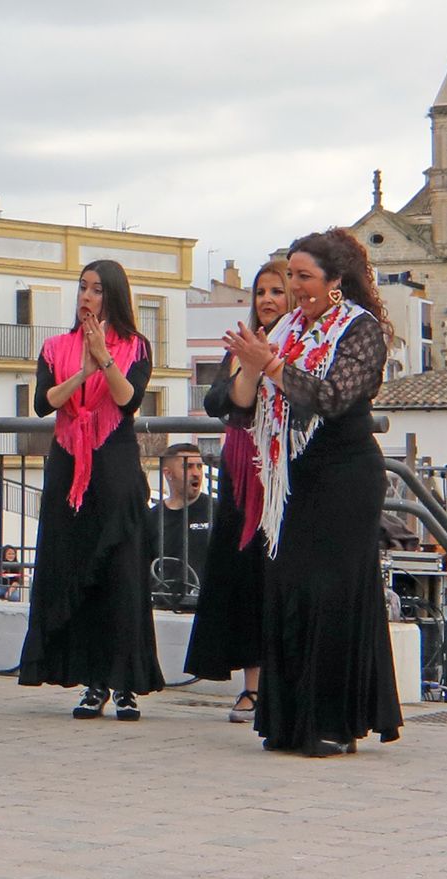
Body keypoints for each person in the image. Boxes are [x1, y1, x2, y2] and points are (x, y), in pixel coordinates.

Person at [222, 228, 402, 756]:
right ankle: (289, 722)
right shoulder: (287, 330)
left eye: (305, 276)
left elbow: (331, 396)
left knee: (332, 596)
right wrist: (251, 368)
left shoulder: (361, 329)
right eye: (291, 275)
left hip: (345, 477)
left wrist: (271, 365)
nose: (296, 286)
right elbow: (238, 407)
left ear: (335, 280)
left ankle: (333, 723)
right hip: (293, 478)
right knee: (290, 591)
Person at [18, 259, 164, 721]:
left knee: (120, 574)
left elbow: (127, 399)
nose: (87, 296)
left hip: (114, 465)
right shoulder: (56, 346)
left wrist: (104, 359)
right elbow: (43, 404)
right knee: (76, 570)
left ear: (114, 295)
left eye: (97, 289)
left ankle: (125, 684)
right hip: (67, 465)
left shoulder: (136, 346)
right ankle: (92, 682)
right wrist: (81, 372)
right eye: (83, 287)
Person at [186, 261, 290, 723]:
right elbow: (216, 402)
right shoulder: (242, 345)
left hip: (284, 473)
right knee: (246, 576)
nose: (267, 299)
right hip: (240, 472)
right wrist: (247, 365)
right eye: (261, 291)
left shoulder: (303, 344)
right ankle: (252, 687)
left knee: (280, 576)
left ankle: (286, 685)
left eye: (277, 291)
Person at [147, 443, 211, 610]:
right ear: (168, 473)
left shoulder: (217, 512)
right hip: (164, 609)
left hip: (208, 609)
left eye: (199, 466)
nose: (196, 473)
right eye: (188, 467)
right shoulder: (152, 518)